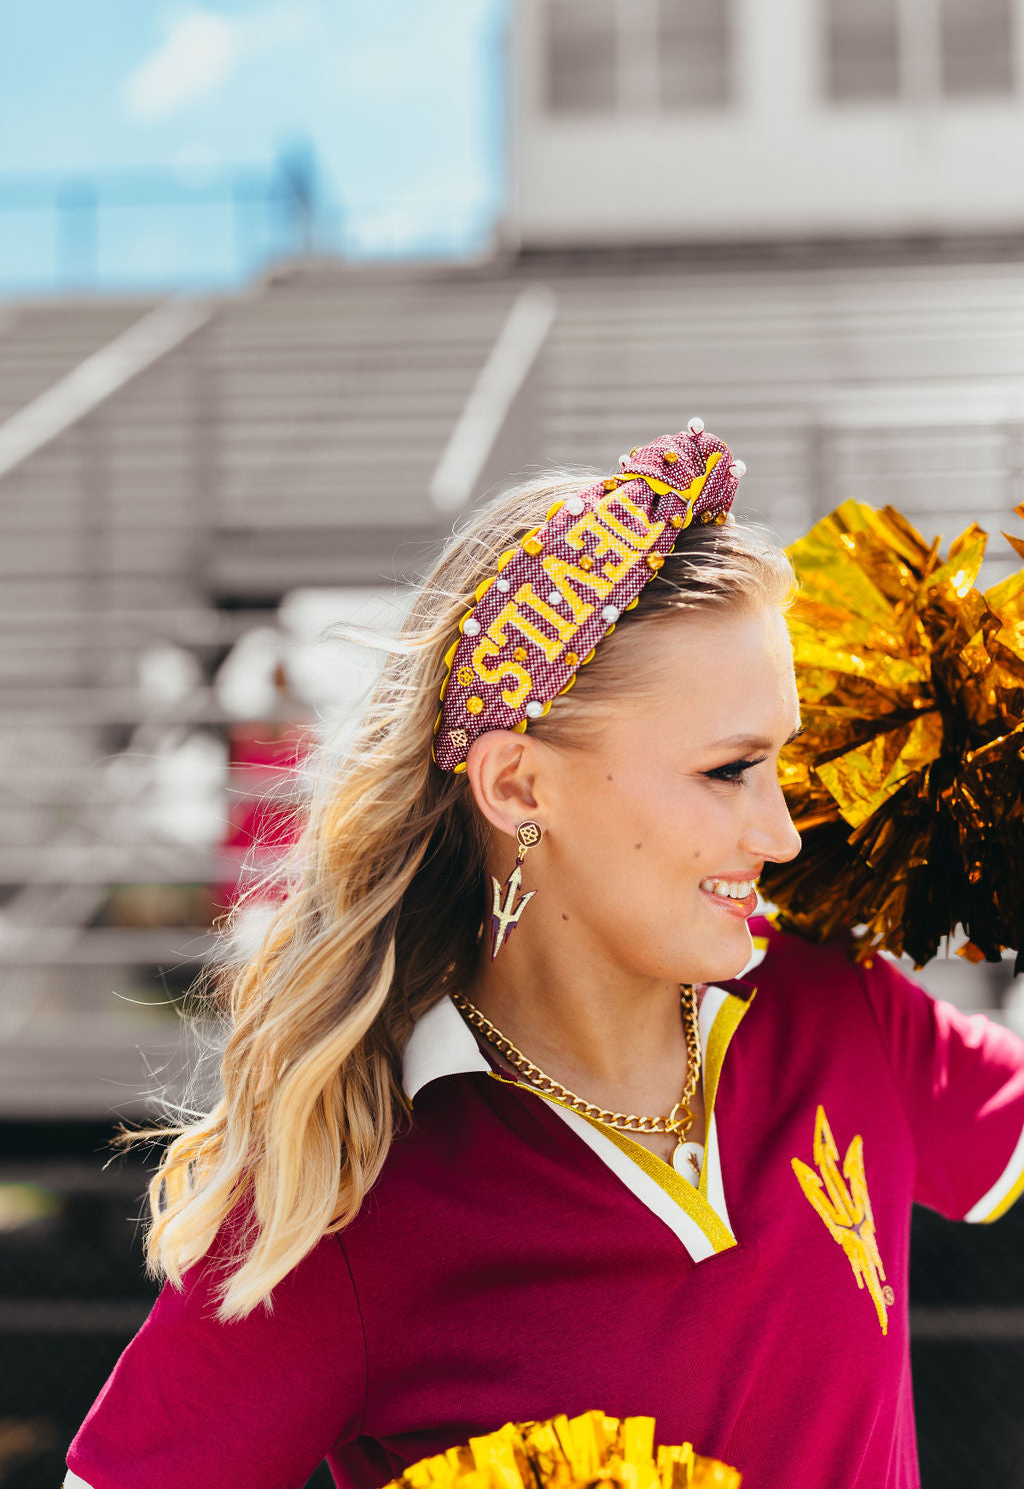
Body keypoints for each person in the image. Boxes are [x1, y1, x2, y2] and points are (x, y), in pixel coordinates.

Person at [64, 424, 1024, 1489]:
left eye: (781, 760)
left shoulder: (834, 1003)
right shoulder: (344, 1202)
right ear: (518, 786)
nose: (782, 830)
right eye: (728, 769)